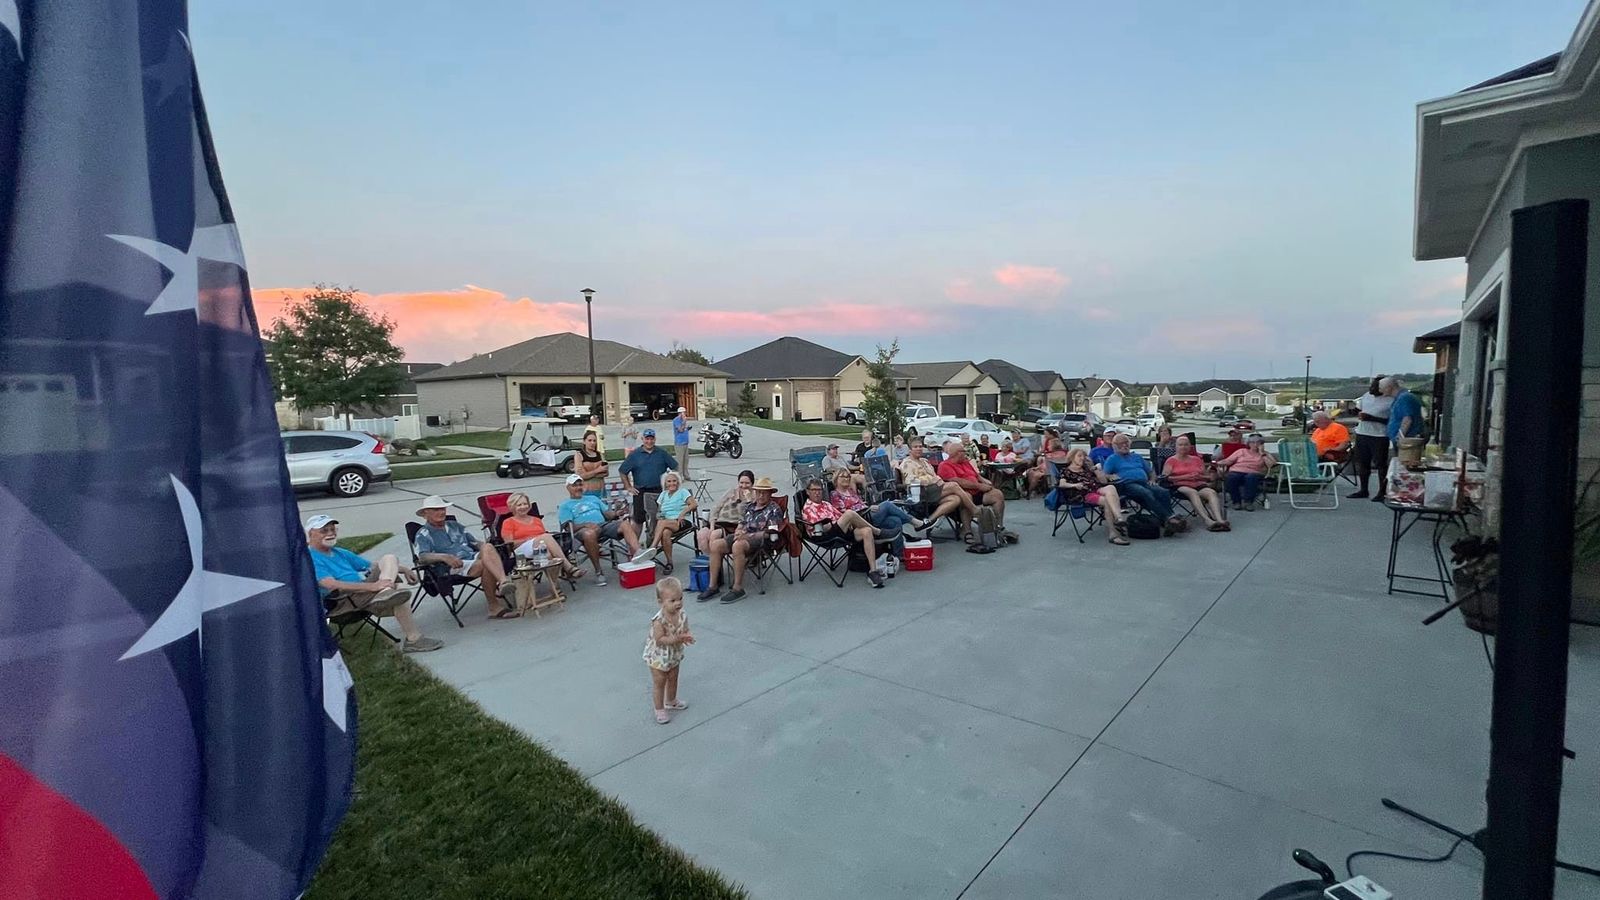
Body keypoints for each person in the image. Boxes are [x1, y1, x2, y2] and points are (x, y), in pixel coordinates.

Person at [307, 515, 442, 652]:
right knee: (397, 589)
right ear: (310, 534)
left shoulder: (339, 552)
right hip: (342, 600)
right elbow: (330, 585)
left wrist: (404, 569)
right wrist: (373, 586)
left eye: (333, 529)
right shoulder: (310, 557)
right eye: (324, 530)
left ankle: (386, 594)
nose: (330, 533)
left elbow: (372, 566)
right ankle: (413, 639)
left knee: (389, 559)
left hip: (361, 595)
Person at [413, 495, 515, 619]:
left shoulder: (454, 525)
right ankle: (494, 605)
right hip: (451, 566)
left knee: (488, 547)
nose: (441, 512)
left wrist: (488, 549)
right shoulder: (423, 534)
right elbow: (422, 557)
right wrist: (444, 557)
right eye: (436, 509)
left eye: (443, 509)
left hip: (471, 557)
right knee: (485, 565)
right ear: (425, 513)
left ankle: (503, 582)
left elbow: (474, 542)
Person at [697, 476, 786, 604]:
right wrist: (739, 530)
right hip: (743, 535)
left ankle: (738, 588)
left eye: (764, 493)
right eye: (758, 492)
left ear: (770, 494)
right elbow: (742, 522)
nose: (761, 495)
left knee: (738, 546)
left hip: (761, 540)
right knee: (716, 545)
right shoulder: (750, 506)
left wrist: (747, 536)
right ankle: (713, 586)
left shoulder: (774, 509)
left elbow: (770, 533)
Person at [557, 474, 647, 586]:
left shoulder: (593, 499)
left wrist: (616, 513)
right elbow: (568, 527)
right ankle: (598, 571)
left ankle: (638, 552)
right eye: (575, 485)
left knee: (624, 524)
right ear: (568, 488)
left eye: (580, 485)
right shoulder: (565, 505)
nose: (578, 487)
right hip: (582, 531)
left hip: (602, 526)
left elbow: (607, 514)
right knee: (589, 534)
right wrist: (586, 525)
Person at [800, 477, 887, 588]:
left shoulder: (826, 504)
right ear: (808, 492)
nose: (817, 492)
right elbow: (819, 528)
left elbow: (839, 516)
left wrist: (845, 522)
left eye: (819, 490)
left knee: (867, 531)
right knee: (849, 514)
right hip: (825, 536)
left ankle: (873, 572)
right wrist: (838, 522)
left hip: (839, 531)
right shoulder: (808, 508)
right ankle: (878, 532)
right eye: (814, 490)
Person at [1100, 433, 1183, 534]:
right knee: (1146, 493)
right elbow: (1105, 474)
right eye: (1121, 443)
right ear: (1115, 446)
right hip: (1127, 485)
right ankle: (1169, 518)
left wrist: (1152, 479)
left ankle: (1169, 518)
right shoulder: (1112, 459)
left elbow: (1151, 472)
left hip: (1144, 482)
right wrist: (1110, 476)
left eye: (1126, 443)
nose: (1125, 445)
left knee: (1163, 491)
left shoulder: (1136, 456)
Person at [938, 439, 1015, 544]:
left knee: (997, 494)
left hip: (977, 491)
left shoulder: (965, 462)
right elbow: (957, 481)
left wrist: (985, 481)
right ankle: (967, 531)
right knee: (966, 497)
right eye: (964, 451)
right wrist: (979, 486)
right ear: (958, 453)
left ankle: (998, 526)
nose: (966, 453)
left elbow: (976, 475)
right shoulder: (944, 465)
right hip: (961, 493)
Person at [896, 438, 977, 536]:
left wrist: (938, 481)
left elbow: (935, 476)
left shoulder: (924, 461)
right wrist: (933, 481)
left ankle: (928, 521)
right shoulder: (907, 463)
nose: (919, 449)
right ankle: (974, 510)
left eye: (920, 446)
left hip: (934, 490)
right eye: (915, 447)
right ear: (910, 450)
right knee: (954, 485)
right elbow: (911, 482)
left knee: (955, 499)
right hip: (922, 493)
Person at [643, 576, 694, 724]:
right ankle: (659, 708)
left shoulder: (682, 614)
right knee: (660, 681)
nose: (678, 603)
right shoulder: (659, 621)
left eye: (680, 598)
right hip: (658, 656)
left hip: (673, 653)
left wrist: (687, 636)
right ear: (661, 602)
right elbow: (660, 639)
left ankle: (671, 700)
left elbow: (685, 628)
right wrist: (677, 639)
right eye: (672, 601)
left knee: (673, 677)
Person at [499, 492, 582, 578]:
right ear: (512, 507)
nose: (523, 507)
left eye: (525, 504)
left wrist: (538, 539)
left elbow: (543, 540)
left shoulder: (536, 520)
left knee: (548, 554)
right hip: (520, 551)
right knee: (545, 537)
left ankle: (554, 585)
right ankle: (568, 567)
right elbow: (509, 544)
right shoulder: (508, 522)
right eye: (519, 505)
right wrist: (530, 539)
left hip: (540, 548)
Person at [1054, 448, 1128, 545]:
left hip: (1097, 489)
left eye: (1084, 456)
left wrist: (1095, 469)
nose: (1082, 458)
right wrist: (1074, 485)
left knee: (1111, 487)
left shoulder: (1087, 468)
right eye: (1079, 456)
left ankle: (1119, 518)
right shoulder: (1066, 471)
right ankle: (1113, 534)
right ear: (1072, 457)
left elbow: (1103, 481)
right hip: (1084, 494)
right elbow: (1062, 484)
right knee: (1107, 501)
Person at [1161, 436, 1229, 531]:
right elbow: (1165, 478)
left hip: (1198, 484)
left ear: (1190, 446)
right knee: (1193, 492)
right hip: (1179, 485)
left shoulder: (1196, 459)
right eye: (1180, 445)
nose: (1183, 447)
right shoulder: (1171, 460)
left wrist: (1201, 476)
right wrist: (1185, 477)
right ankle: (1208, 520)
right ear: (1176, 447)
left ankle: (1219, 519)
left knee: (1211, 492)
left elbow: (1207, 477)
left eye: (1186, 445)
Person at [830, 467, 923, 535]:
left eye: (848, 477)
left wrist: (868, 507)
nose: (846, 479)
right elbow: (843, 513)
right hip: (860, 519)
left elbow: (861, 503)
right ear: (836, 479)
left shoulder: (851, 491)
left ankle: (898, 552)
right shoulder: (835, 494)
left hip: (868, 513)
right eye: (843, 477)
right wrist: (868, 509)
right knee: (887, 504)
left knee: (895, 520)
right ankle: (914, 522)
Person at [619, 427, 678, 523]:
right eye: (647, 439)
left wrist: (671, 482)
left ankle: (656, 532)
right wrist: (628, 487)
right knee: (638, 521)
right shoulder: (635, 454)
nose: (649, 441)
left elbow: (675, 467)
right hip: (640, 491)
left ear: (655, 439)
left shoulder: (662, 453)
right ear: (642, 439)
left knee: (660, 518)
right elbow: (622, 471)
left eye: (651, 439)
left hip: (659, 491)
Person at [1351, 375, 1393, 500]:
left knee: (1380, 464)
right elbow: (1358, 409)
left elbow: (1392, 421)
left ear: (1384, 388)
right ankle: (1363, 490)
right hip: (1362, 433)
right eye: (1371, 386)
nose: (1372, 389)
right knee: (1362, 463)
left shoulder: (1391, 400)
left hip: (1379, 435)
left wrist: (1372, 418)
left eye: (1376, 387)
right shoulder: (1366, 396)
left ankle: (1382, 492)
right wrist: (1355, 412)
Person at [649, 471, 698, 573]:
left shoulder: (683, 492)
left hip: (681, 521)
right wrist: (660, 515)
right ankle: (669, 563)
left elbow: (694, 504)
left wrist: (682, 513)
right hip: (667, 523)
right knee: (665, 532)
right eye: (669, 481)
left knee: (662, 523)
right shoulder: (663, 494)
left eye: (674, 481)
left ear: (678, 482)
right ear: (665, 483)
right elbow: (659, 511)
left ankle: (653, 547)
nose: (672, 483)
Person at [699, 469, 755, 554]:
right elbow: (717, 508)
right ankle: (710, 559)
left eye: (747, 483)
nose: (744, 486)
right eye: (741, 483)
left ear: (752, 484)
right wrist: (712, 526)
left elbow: (749, 514)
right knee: (701, 535)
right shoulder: (732, 491)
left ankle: (715, 560)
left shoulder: (754, 496)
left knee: (714, 535)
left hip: (733, 525)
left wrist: (748, 499)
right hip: (719, 522)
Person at [1216, 433, 1277, 511]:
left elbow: (1271, 465)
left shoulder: (1265, 454)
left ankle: (1248, 502)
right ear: (1248, 443)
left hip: (1254, 473)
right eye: (1253, 442)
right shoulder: (1241, 451)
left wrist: (1262, 453)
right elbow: (1228, 461)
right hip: (1237, 471)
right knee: (1232, 477)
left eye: (1258, 442)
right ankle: (1236, 502)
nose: (1255, 444)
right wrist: (1219, 463)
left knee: (1250, 477)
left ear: (1262, 444)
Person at [1383, 376, 1423, 449]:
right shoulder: (1400, 398)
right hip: (1405, 440)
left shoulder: (1404, 398)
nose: (1380, 391)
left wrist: (1399, 437)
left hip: (1407, 441)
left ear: (1389, 387)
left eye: (1381, 388)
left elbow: (1407, 419)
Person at [574, 430, 608, 496]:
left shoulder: (599, 454)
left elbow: (606, 473)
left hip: (601, 490)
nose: (592, 443)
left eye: (594, 441)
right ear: (584, 441)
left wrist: (590, 474)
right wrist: (598, 471)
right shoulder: (579, 455)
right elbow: (580, 475)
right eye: (589, 440)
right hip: (587, 491)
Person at [671, 406, 692, 475]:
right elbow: (680, 430)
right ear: (680, 413)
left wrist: (687, 427)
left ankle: (686, 474)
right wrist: (684, 421)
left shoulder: (684, 420)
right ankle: (680, 475)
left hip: (685, 442)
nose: (685, 414)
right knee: (680, 460)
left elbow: (685, 429)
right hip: (679, 443)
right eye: (683, 413)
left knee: (686, 460)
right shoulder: (676, 420)